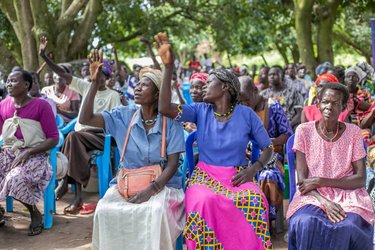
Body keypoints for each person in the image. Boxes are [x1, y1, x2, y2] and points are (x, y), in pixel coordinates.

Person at [156, 32, 273, 249]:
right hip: (205, 176)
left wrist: (253, 169)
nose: (203, 87)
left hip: (238, 176)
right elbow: (164, 108)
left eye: (209, 82)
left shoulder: (246, 114)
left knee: (255, 202)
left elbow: (267, 148)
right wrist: (168, 67)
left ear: (225, 87)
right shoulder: (200, 111)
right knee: (203, 201)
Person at [80, 52, 185, 249]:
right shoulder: (123, 115)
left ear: (157, 94)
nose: (137, 87)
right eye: (137, 84)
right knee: (104, 210)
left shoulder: (171, 122)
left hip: (164, 186)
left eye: (144, 85)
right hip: (126, 183)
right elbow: (85, 119)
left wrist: (152, 189)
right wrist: (94, 83)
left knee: (155, 212)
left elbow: (172, 165)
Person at [39, 36, 122, 214]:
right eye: (96, 75)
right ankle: (74, 194)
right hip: (80, 136)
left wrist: (92, 126)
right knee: (73, 138)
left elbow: (113, 124)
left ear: (107, 78)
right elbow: (62, 74)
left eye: (102, 76)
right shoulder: (85, 86)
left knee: (73, 137)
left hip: (101, 136)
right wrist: (44, 57)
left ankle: (68, 187)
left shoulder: (113, 95)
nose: (98, 79)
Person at [287, 83, 375, 249]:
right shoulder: (303, 131)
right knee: (305, 222)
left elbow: (360, 179)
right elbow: (303, 181)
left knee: (348, 226)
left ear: (343, 107)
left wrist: (321, 180)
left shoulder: (354, 132)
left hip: (349, 195)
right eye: (325, 102)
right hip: (312, 195)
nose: (329, 107)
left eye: (335, 103)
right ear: (318, 103)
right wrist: (325, 202)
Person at [0, 70, 59, 235]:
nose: (9, 84)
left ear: (26, 85)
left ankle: (34, 212)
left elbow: (53, 138)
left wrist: (28, 152)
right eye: (8, 81)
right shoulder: (3, 105)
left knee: (15, 177)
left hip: (35, 154)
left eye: (13, 81)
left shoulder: (41, 106)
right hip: (10, 152)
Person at [240, 75, 293, 219]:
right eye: (240, 100)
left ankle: (266, 220)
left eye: (246, 98)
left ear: (255, 90)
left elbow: (287, 134)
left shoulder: (273, 107)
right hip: (245, 158)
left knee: (268, 176)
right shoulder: (239, 111)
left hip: (271, 159)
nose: (244, 103)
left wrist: (268, 143)